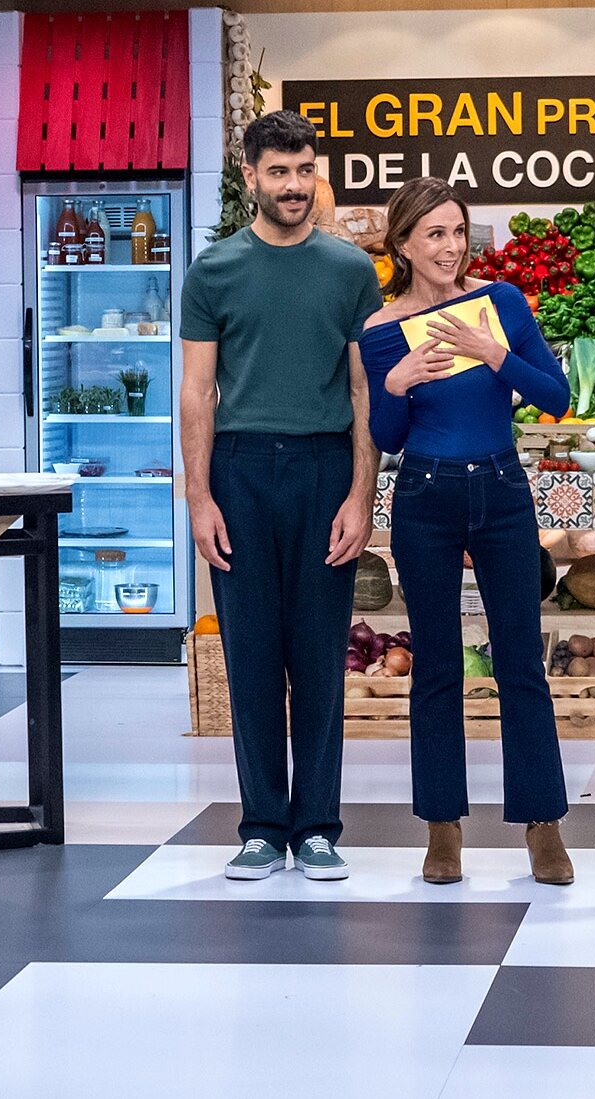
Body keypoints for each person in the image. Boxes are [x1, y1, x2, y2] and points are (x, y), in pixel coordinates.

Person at [180, 110, 383, 882]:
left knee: (321, 654)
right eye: (278, 172)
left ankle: (319, 827)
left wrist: (361, 493)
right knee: (252, 652)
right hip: (239, 471)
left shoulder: (349, 270)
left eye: (305, 170)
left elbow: (364, 388)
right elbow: (198, 393)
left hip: (325, 467)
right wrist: (200, 498)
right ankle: (263, 825)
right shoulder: (214, 272)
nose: (294, 186)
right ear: (250, 177)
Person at [358, 178, 574, 886]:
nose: (450, 248)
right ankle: (442, 829)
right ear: (404, 245)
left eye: (458, 232)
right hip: (424, 493)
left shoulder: (501, 305)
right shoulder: (383, 331)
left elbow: (555, 397)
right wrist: (394, 386)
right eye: (435, 235)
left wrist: (495, 353)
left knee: (520, 660)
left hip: (504, 489)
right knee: (439, 666)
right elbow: (387, 436)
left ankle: (543, 826)